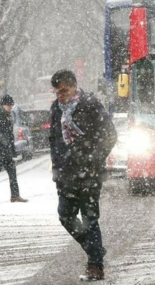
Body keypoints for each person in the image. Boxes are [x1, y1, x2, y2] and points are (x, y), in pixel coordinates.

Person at [49, 69, 117, 282]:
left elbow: (110, 135)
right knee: (65, 215)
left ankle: (95, 266)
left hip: (89, 173)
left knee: (89, 218)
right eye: (57, 92)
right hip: (65, 174)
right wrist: (56, 168)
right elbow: (54, 139)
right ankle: (94, 250)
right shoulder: (55, 109)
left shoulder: (90, 104)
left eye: (64, 91)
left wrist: (93, 161)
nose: (61, 95)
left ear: (74, 85)